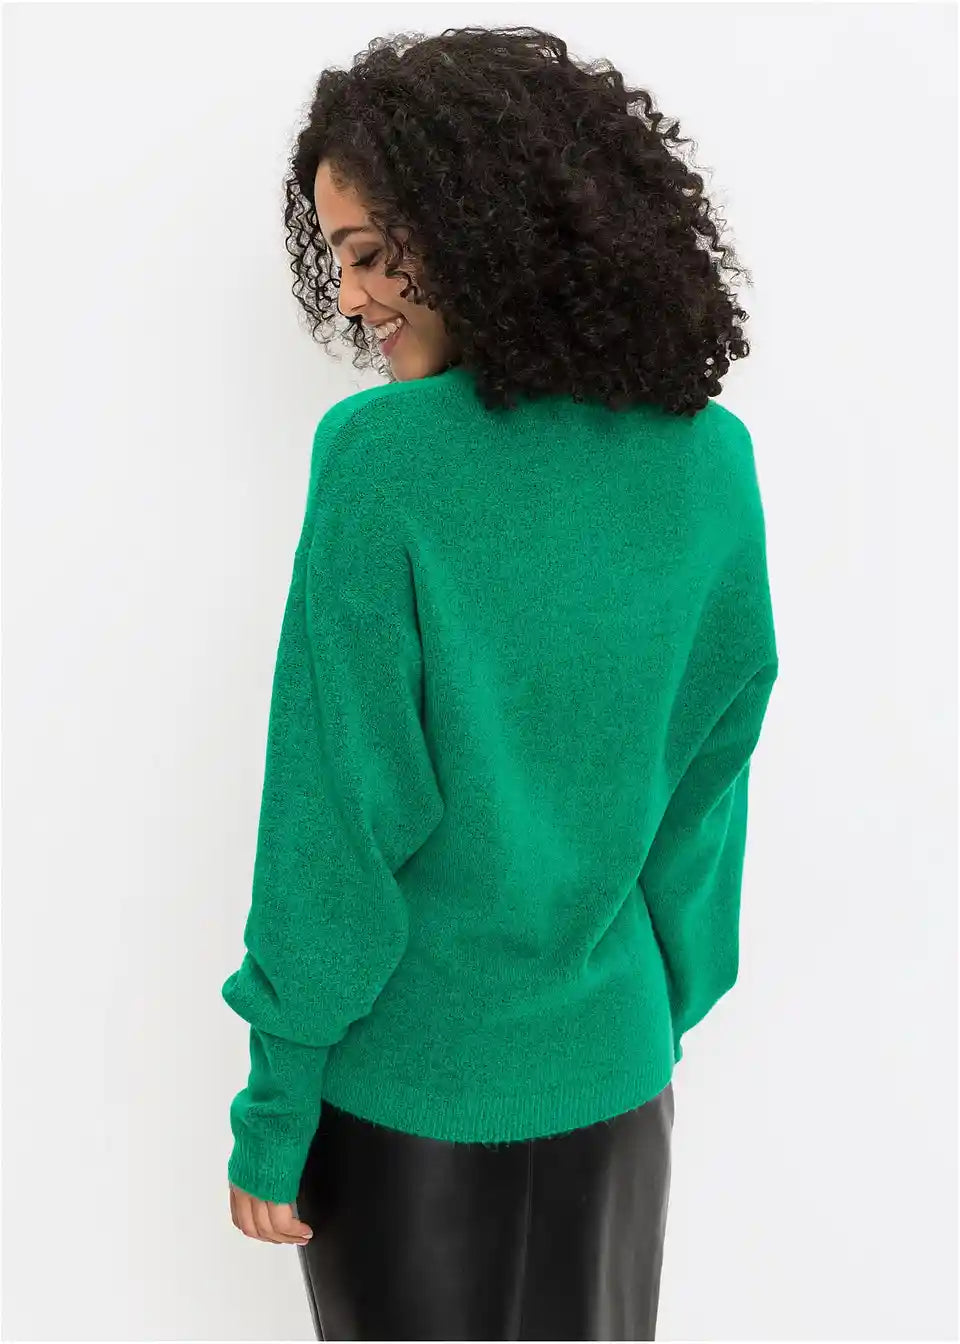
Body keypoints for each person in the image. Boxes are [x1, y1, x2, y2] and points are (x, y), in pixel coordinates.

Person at [222, 23, 779, 1342]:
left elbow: (336, 821)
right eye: (339, 258)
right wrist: (643, 1013)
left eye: (373, 253)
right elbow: (708, 783)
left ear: (482, 229)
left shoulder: (381, 460)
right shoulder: (710, 455)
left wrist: (276, 1101)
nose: (352, 297)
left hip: (411, 1097)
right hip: (618, 1084)